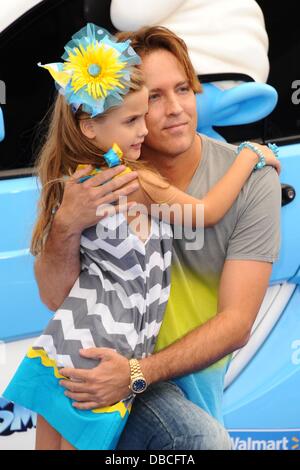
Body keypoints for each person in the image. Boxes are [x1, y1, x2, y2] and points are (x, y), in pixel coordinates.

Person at [13, 25, 281, 450]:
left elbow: (236, 324)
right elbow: (205, 213)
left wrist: (135, 374)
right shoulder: (129, 179)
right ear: (96, 123)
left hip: (92, 351)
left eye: (184, 89)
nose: (173, 109)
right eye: (151, 100)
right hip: (105, 352)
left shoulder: (85, 177)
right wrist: (251, 154)